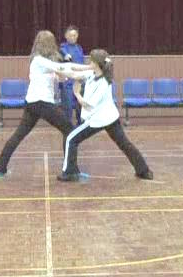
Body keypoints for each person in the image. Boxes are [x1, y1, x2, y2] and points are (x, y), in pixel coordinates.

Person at [0, 30, 82, 178]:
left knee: (19, 135)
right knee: (70, 130)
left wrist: (62, 72)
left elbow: (60, 78)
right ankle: (70, 170)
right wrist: (89, 69)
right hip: (41, 102)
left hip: (33, 103)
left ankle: (0, 166)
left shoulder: (45, 62)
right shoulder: (39, 60)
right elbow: (61, 69)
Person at [57, 49, 153, 182]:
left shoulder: (104, 83)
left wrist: (77, 93)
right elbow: (73, 73)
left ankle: (69, 172)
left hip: (99, 119)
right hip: (109, 118)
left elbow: (89, 105)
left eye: (91, 60)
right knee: (124, 144)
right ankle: (143, 170)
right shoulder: (92, 73)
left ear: (96, 63)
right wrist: (57, 69)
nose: (89, 62)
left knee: (71, 139)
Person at [59, 25, 84, 125]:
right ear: (66, 36)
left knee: (80, 107)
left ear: (77, 36)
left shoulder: (79, 48)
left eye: (74, 35)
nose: (72, 37)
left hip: (78, 82)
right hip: (67, 84)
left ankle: (80, 126)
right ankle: (67, 128)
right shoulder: (63, 47)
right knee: (68, 108)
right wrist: (66, 55)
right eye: (70, 35)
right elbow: (62, 52)